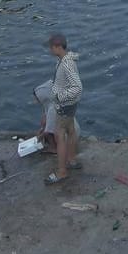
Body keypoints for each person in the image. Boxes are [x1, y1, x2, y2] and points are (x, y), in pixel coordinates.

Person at [44, 34, 81, 185]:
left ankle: (62, 172)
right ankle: (71, 160)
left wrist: (59, 96)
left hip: (64, 106)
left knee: (60, 137)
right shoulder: (62, 60)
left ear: (58, 47)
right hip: (70, 105)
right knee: (71, 131)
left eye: (51, 47)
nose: (50, 50)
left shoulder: (66, 64)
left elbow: (77, 88)